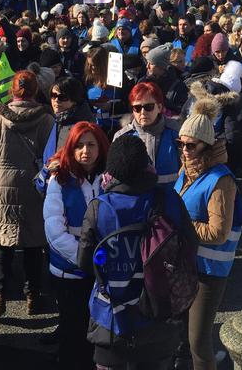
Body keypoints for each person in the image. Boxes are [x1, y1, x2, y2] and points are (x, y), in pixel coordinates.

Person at [77, 137, 196, 370]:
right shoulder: (169, 199)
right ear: (146, 165)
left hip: (110, 321)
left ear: (111, 169)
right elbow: (191, 246)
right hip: (158, 315)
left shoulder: (99, 206)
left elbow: (84, 262)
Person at [0, 70, 53, 318]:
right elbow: (49, 153)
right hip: (32, 182)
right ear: (35, 91)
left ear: (12, 90)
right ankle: (33, 295)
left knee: (1, 239)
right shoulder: (45, 118)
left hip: (1, 181)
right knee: (33, 240)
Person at [175, 111, 242, 370]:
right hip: (186, 264)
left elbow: (218, 233)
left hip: (209, 271)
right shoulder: (187, 169)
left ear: (207, 145)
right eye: (181, 144)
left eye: (191, 145)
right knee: (181, 333)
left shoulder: (221, 180)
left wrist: (179, 224)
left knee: (198, 341)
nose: (185, 150)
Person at [43, 121, 109, 370]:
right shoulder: (59, 180)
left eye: (91, 144)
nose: (85, 151)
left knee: (97, 330)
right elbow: (54, 230)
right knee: (72, 330)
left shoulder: (108, 179)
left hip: (101, 271)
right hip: (69, 271)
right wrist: (85, 258)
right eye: (79, 145)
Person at [114, 81, 182, 189]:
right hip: (138, 200)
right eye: (137, 108)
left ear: (159, 107)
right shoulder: (122, 137)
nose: (143, 112)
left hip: (171, 198)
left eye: (148, 107)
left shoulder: (176, 133)